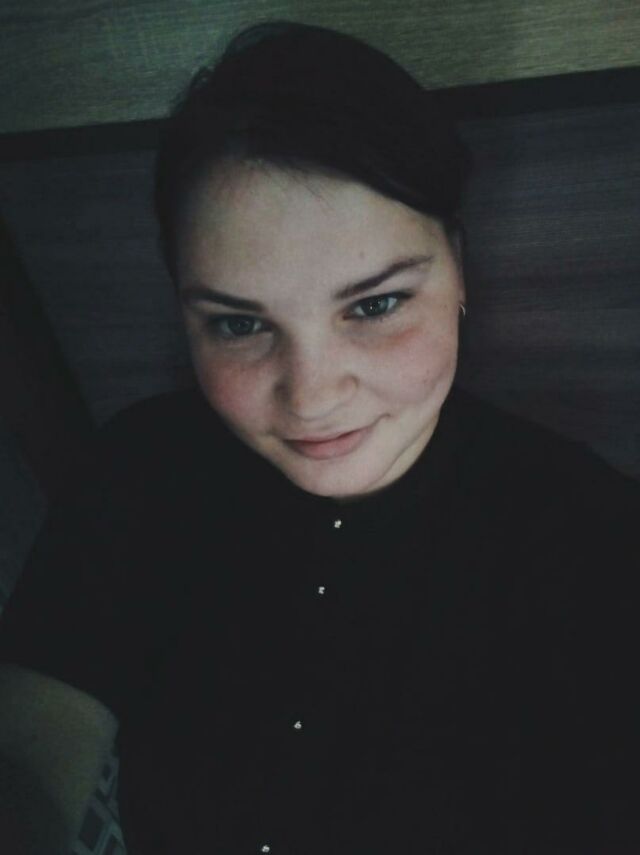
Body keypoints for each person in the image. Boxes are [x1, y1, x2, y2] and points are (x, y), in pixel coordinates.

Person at [0, 20, 639, 855]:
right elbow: (34, 745)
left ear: (459, 266)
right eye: (238, 323)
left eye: (375, 305)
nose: (311, 398)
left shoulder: (594, 537)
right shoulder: (137, 470)